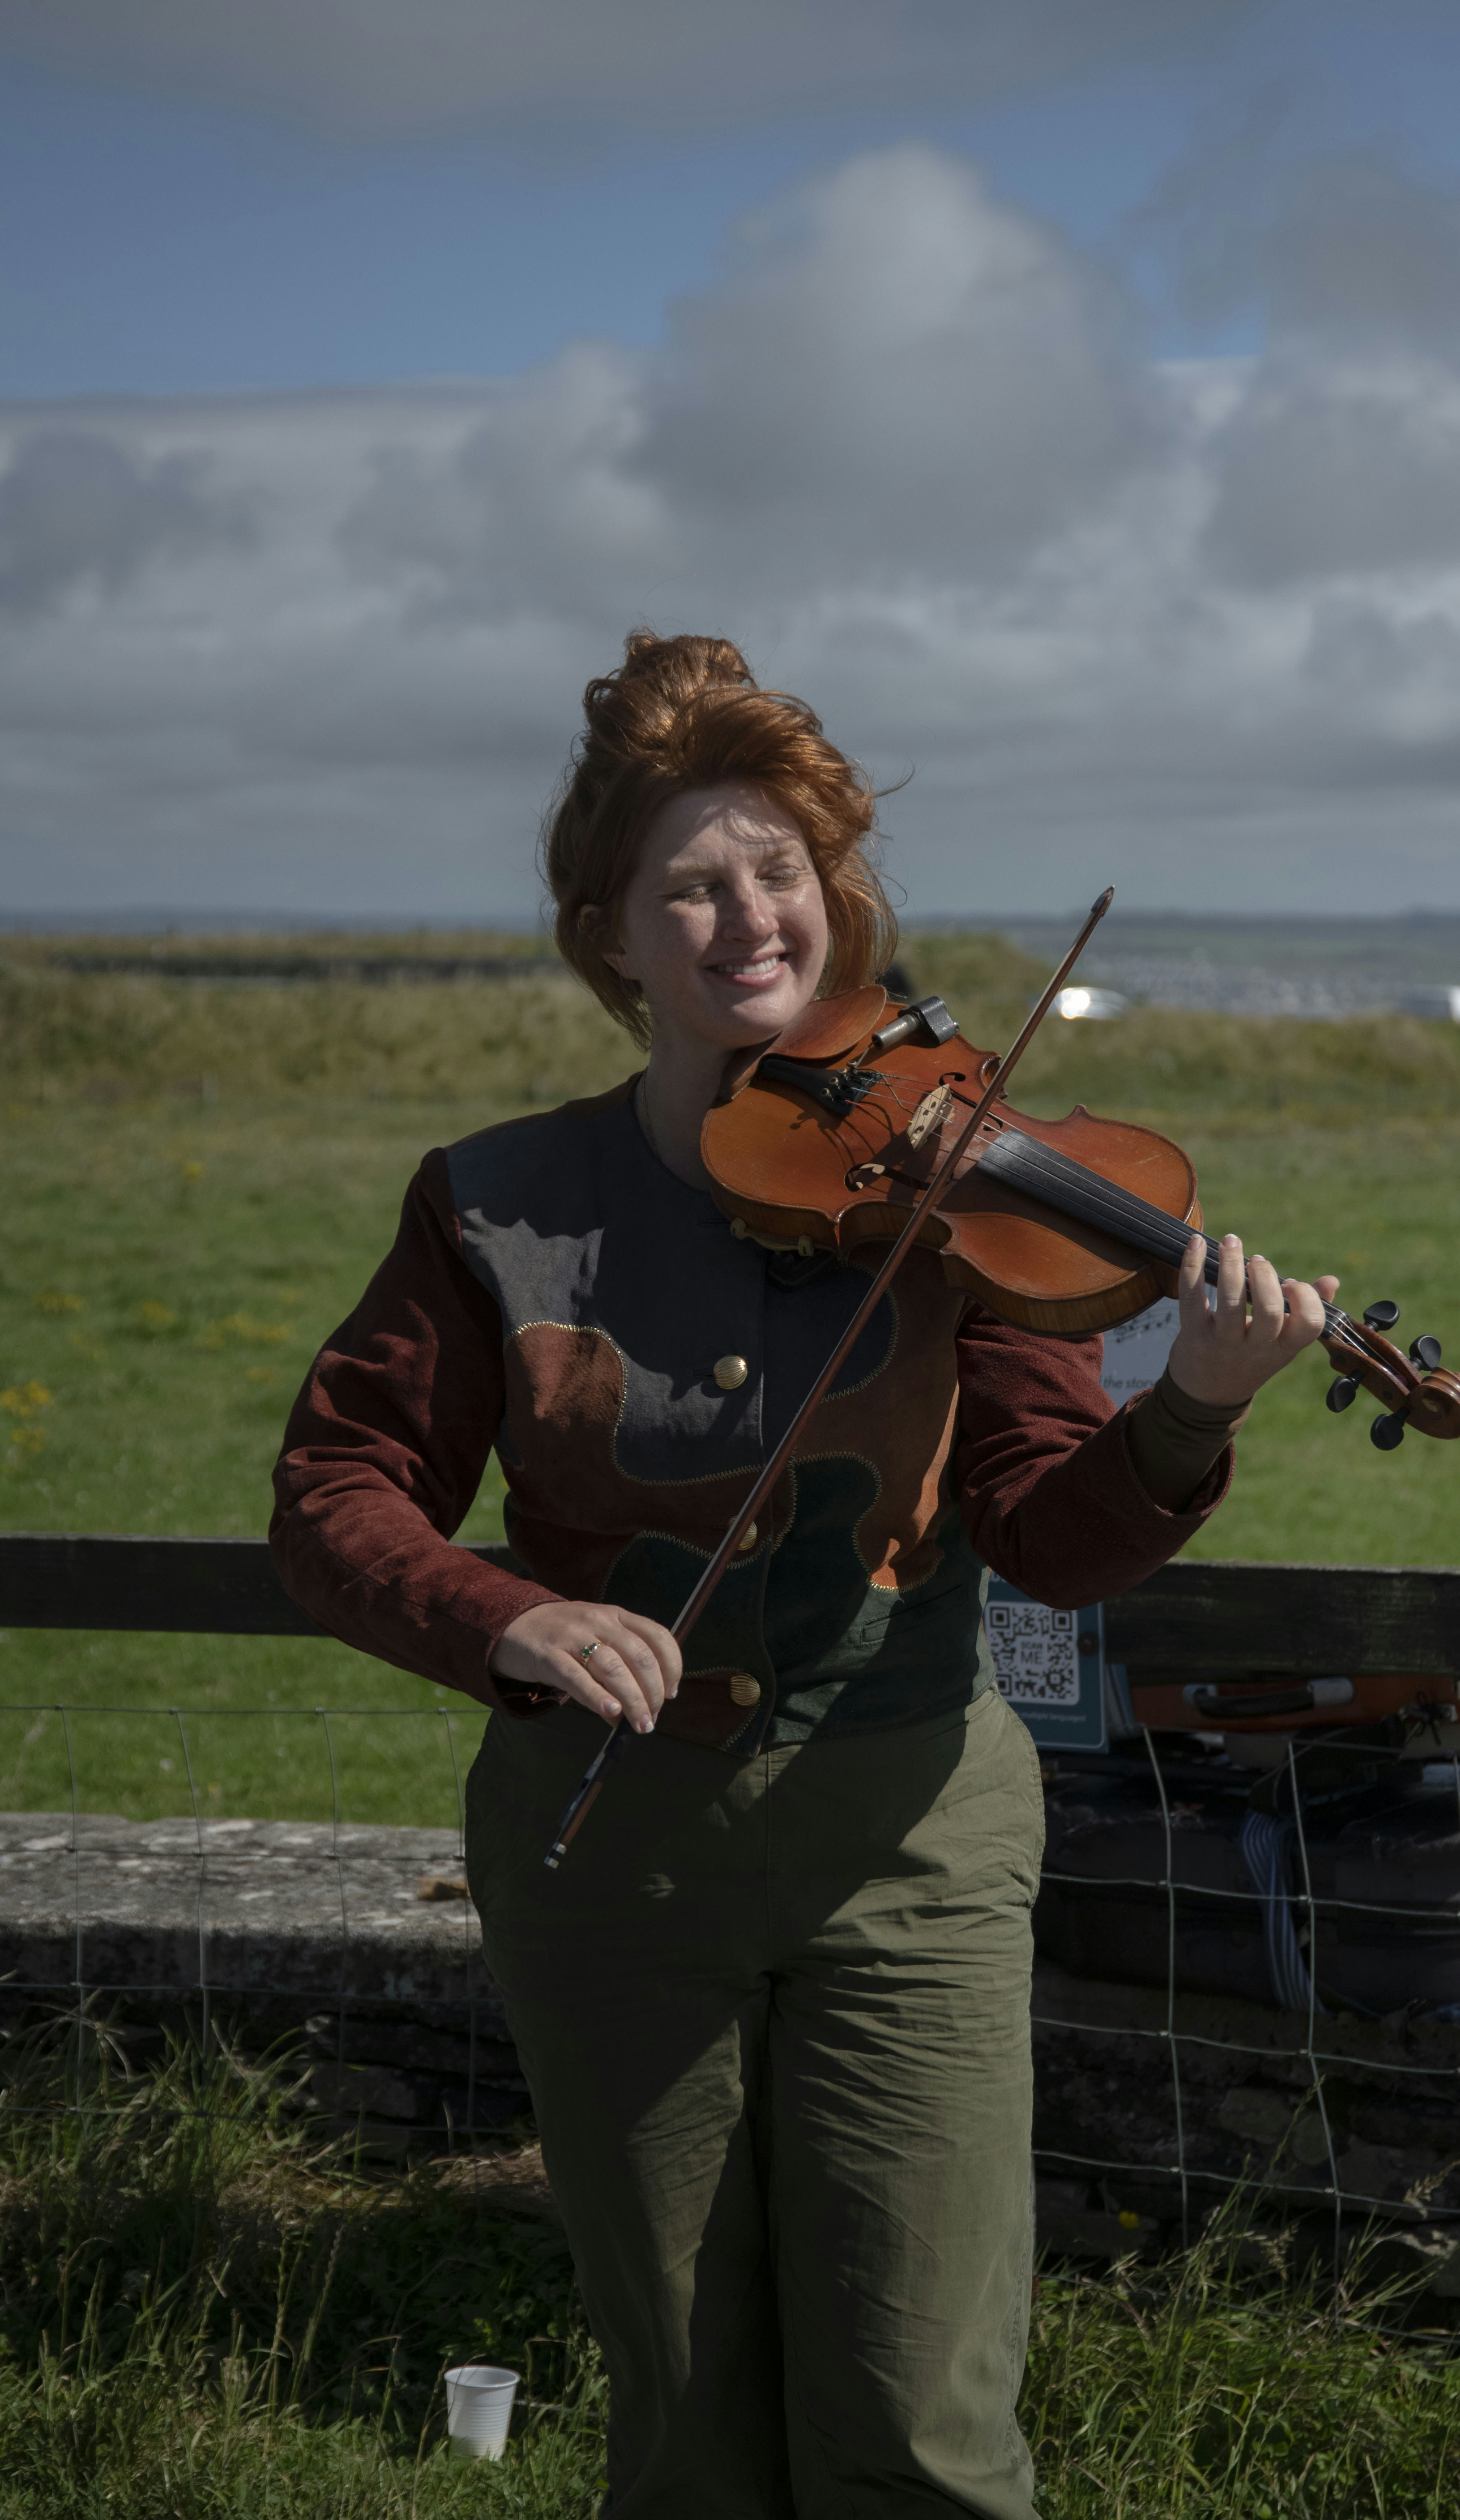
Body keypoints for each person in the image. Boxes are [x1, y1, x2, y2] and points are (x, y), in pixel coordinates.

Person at [270, 632, 1339, 2519]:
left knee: (926, 2431)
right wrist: (511, 1618)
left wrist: (1195, 1408)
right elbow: (339, 1491)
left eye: (780, 871)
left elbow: (1052, 1535)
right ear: (610, 936)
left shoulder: (961, 1186)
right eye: (693, 882)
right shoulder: (497, 1202)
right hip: (612, 1863)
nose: (749, 914)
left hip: (909, 1845)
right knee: (688, 2422)